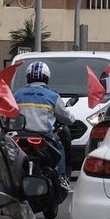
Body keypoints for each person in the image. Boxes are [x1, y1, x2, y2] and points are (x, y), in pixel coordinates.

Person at [13, 61, 72, 191]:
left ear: (28, 77)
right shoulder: (52, 96)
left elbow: (9, 115)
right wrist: (71, 120)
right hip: (44, 138)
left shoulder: (17, 95)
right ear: (46, 77)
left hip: (20, 137)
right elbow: (67, 118)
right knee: (60, 145)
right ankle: (62, 178)